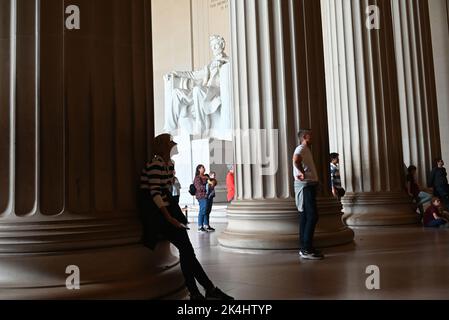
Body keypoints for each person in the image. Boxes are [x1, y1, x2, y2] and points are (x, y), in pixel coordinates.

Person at [138, 134, 233, 300]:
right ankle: (204, 290)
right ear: (164, 147)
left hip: (167, 212)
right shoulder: (156, 163)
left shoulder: (167, 164)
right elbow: (156, 194)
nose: (173, 146)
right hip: (160, 215)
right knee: (188, 252)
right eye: (170, 143)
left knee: (187, 253)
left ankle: (199, 291)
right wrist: (169, 218)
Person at [164, 35, 231, 137]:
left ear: (222, 44)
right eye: (212, 46)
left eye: (216, 45)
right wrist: (175, 73)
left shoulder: (229, 61)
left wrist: (224, 62)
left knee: (197, 90)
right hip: (205, 90)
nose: (213, 48)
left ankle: (201, 128)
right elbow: (193, 75)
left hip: (217, 90)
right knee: (176, 93)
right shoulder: (210, 65)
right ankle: (170, 129)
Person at [292, 129, 324, 260]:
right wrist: (301, 172)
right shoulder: (301, 148)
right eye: (311, 135)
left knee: (305, 217)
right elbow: (296, 159)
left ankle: (305, 247)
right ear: (305, 137)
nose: (314, 137)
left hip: (308, 186)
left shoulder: (306, 149)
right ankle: (306, 249)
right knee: (312, 216)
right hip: (305, 186)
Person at [194, 164, 209, 233]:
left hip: (206, 195)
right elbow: (198, 187)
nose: (204, 168)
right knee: (202, 210)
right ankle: (200, 226)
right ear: (199, 169)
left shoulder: (205, 176)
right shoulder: (197, 178)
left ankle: (205, 225)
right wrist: (206, 186)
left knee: (205, 210)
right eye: (203, 167)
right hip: (201, 196)